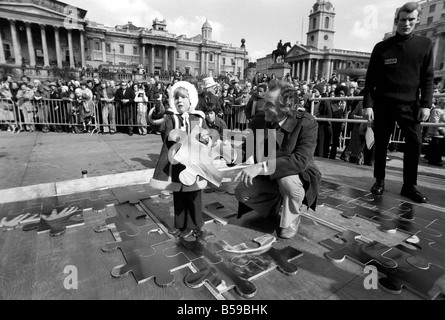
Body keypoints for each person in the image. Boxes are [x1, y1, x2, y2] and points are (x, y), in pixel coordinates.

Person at [363, 2, 434, 203]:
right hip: (383, 104)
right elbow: (371, 79)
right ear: (397, 21)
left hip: (410, 105)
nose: (406, 23)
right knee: (381, 143)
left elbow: (428, 76)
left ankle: (409, 185)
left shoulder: (425, 44)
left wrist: (426, 104)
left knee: (415, 142)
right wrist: (368, 104)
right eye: (403, 20)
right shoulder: (382, 47)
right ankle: (379, 180)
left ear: (417, 20)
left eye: (411, 20)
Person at [234, 80, 321, 239]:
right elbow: (247, 150)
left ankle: (292, 216)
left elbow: (299, 161)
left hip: (295, 174)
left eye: (269, 104)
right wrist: (221, 151)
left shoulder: (306, 122)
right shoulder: (259, 120)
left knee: (288, 184)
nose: (263, 107)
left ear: (286, 107)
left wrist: (260, 167)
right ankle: (277, 203)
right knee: (241, 192)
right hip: (270, 176)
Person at [148, 81, 209, 238]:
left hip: (193, 164)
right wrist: (158, 110)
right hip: (176, 164)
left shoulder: (198, 118)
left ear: (191, 100)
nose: (179, 100)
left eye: (183, 97)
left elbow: (206, 136)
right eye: (176, 97)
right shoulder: (170, 118)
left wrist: (205, 138)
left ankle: (193, 225)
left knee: (194, 195)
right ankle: (180, 224)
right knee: (179, 195)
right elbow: (158, 124)